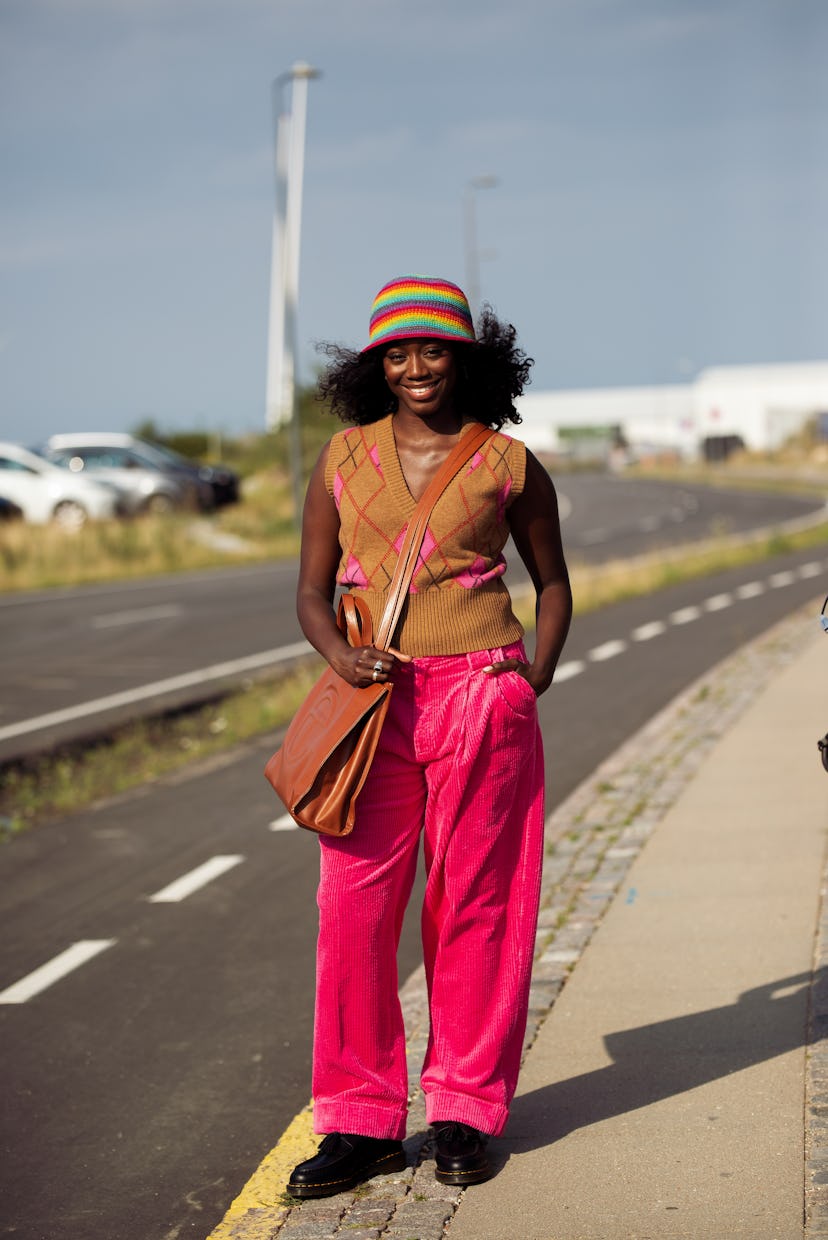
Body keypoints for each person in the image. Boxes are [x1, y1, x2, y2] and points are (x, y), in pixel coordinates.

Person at [287, 275, 572, 1199]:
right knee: (354, 912)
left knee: (477, 907)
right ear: (374, 366)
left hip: (482, 697)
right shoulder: (342, 455)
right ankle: (361, 1122)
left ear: (467, 358)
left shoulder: (508, 463)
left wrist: (533, 675)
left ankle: (463, 1108)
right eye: (398, 354)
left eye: (435, 349)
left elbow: (552, 581)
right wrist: (339, 652)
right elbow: (311, 589)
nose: (417, 368)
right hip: (374, 706)